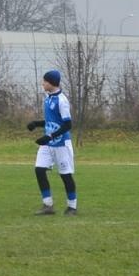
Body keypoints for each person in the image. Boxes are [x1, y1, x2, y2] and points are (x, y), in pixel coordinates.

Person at [27, 69, 78, 215]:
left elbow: (67, 125)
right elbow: (51, 121)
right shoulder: (48, 98)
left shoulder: (62, 101)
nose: (42, 83)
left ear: (51, 83)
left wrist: (49, 137)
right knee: (39, 170)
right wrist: (37, 124)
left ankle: (72, 207)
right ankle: (48, 205)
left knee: (65, 175)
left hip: (61, 144)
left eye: (44, 81)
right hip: (48, 144)